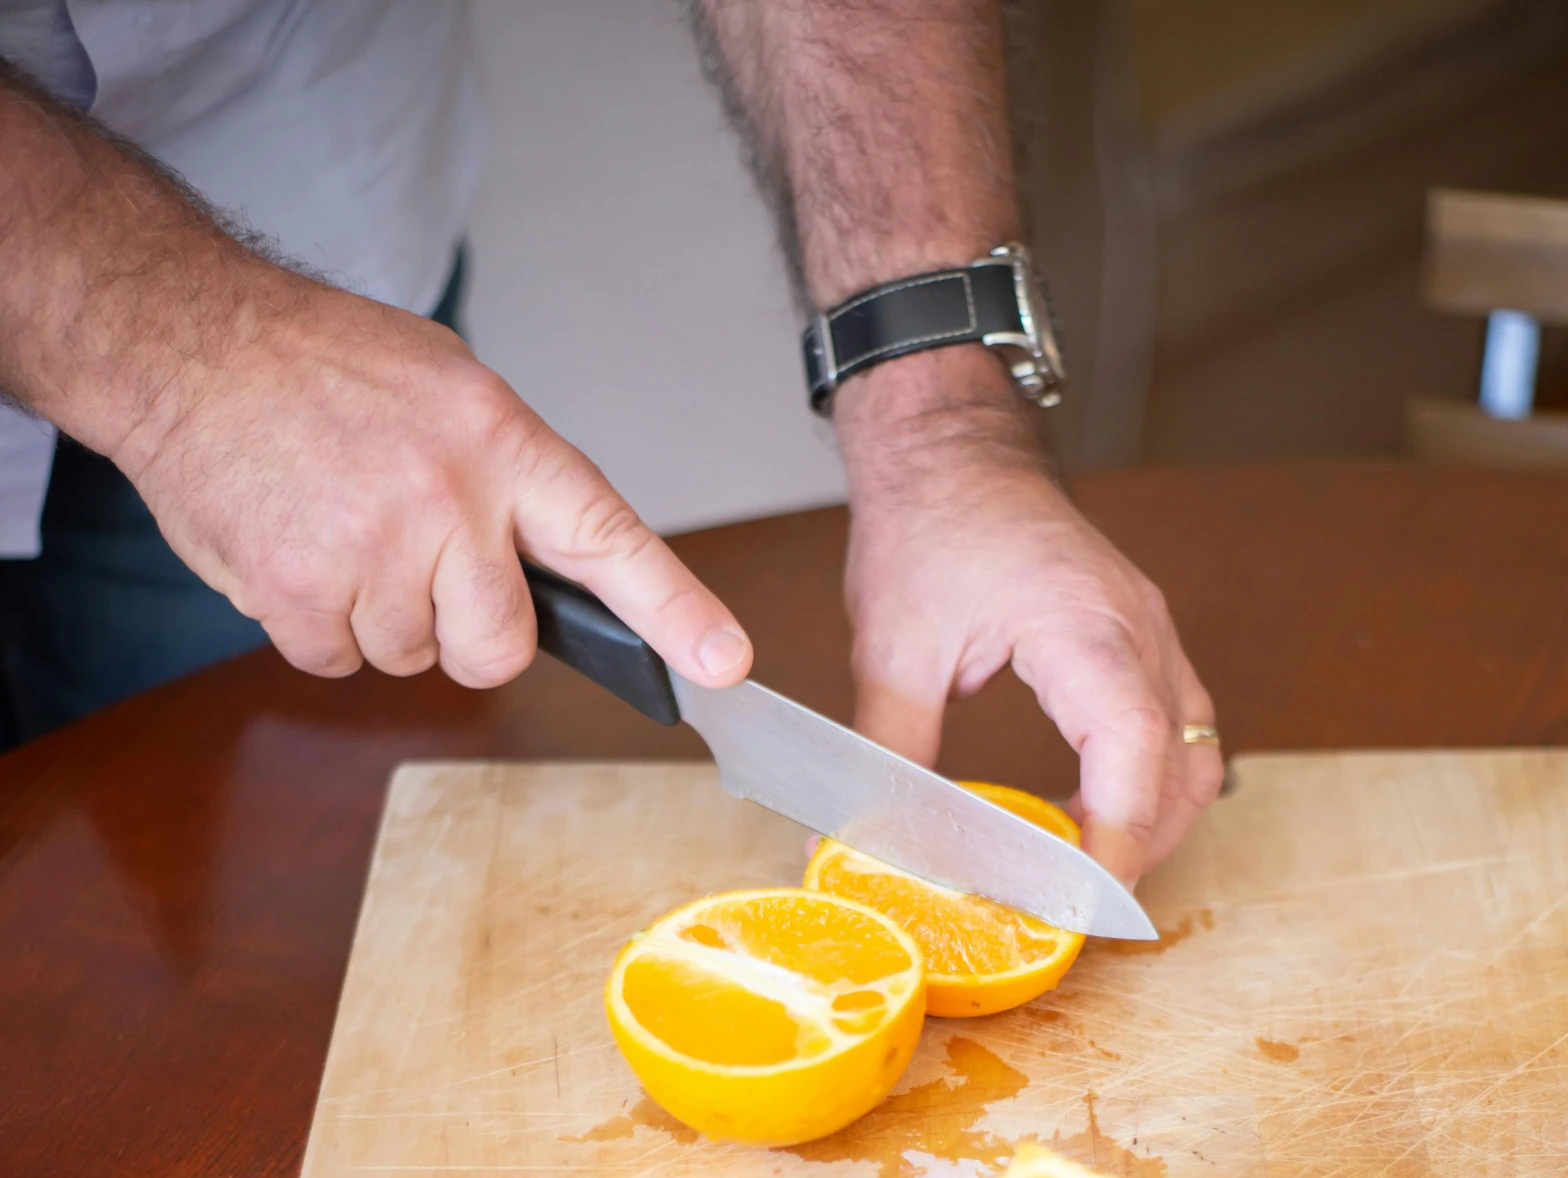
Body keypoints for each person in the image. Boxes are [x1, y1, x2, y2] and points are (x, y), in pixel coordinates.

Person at [0, 0, 1222, 881]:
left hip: (295, 185)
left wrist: (941, 427)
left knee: (234, 919)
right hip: (209, 330)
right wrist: (176, 351)